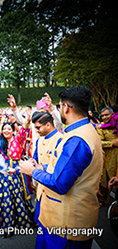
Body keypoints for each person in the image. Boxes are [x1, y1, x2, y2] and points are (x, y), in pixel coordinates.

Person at [19, 86, 104, 248]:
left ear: (66, 107)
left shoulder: (77, 140)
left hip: (66, 225)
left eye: (59, 106)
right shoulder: (84, 130)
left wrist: (33, 171)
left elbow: (59, 184)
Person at [0, 111, 33, 238]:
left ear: (12, 131)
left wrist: (27, 120)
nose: (6, 131)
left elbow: (24, 129)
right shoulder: (0, 143)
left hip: (15, 174)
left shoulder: (18, 140)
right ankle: (4, 223)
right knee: (2, 198)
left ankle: (20, 222)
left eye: (9, 129)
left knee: (16, 198)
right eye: (4, 129)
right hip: (2, 175)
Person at [30, 111, 62, 224]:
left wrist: (41, 167)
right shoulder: (40, 140)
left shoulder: (61, 140)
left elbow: (60, 167)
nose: (36, 131)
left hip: (54, 189)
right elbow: (36, 157)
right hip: (41, 188)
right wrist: (32, 163)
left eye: (38, 128)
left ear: (48, 125)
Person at [97, 107, 118, 206]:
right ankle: (101, 200)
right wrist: (112, 143)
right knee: (105, 181)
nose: (104, 117)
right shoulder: (101, 128)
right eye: (102, 116)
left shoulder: (116, 125)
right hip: (109, 158)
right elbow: (99, 143)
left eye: (107, 115)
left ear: (112, 114)